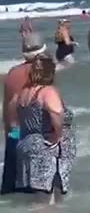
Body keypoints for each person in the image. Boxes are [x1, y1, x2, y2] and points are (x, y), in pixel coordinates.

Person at [8, 54, 76, 200]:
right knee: (51, 198)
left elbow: (12, 117)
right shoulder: (47, 91)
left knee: (37, 198)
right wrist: (57, 136)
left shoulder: (22, 93)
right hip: (48, 150)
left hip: (27, 145)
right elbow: (56, 113)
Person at [1, 33, 47, 195]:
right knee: (39, 190)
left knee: (10, 189)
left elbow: (7, 108)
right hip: (35, 135)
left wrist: (9, 134)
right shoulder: (43, 71)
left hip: (14, 133)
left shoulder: (12, 74)